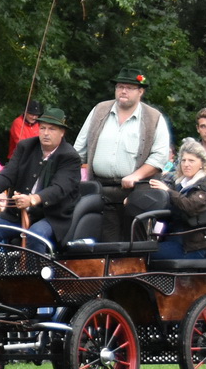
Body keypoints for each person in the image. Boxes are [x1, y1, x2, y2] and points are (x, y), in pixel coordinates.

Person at [73, 69, 173, 242]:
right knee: (105, 243)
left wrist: (136, 175)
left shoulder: (153, 117)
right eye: (120, 86)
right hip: (100, 189)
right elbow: (79, 149)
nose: (123, 91)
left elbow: (159, 157)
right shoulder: (99, 110)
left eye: (129, 87)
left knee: (134, 243)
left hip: (137, 193)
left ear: (140, 91)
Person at [0, 105, 81, 250]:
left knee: (35, 233)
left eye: (52, 129)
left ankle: (34, 272)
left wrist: (32, 199)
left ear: (62, 132)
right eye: (43, 128)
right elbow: (8, 173)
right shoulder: (25, 146)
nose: (46, 133)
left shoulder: (70, 156)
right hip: (18, 215)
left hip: (52, 217)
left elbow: (59, 189)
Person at [147, 140, 206, 259]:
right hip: (173, 238)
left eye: (191, 160)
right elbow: (167, 213)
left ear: (202, 164)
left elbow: (189, 206)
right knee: (141, 249)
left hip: (192, 246)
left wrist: (168, 191)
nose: (186, 164)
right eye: (183, 160)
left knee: (147, 254)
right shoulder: (179, 184)